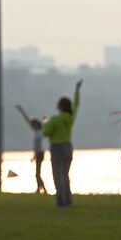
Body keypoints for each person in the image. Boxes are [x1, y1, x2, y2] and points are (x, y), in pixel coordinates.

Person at [43, 79, 83, 207]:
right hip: (68, 147)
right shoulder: (70, 118)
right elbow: (76, 105)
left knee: (57, 175)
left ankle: (61, 200)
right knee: (65, 175)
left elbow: (45, 133)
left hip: (57, 147)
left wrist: (45, 123)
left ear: (60, 106)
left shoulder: (55, 119)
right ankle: (69, 197)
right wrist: (77, 90)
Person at [16, 104, 47, 194]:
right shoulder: (38, 131)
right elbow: (28, 121)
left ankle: (43, 189)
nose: (31, 126)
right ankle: (40, 189)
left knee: (37, 173)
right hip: (40, 153)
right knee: (37, 173)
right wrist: (22, 111)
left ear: (36, 125)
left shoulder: (38, 133)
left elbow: (38, 146)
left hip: (39, 153)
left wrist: (34, 156)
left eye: (32, 125)